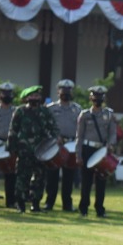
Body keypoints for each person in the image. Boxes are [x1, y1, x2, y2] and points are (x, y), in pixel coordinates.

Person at [7, 86, 60, 213]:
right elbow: (13, 130)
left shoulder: (45, 112)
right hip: (24, 151)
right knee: (22, 178)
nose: (35, 98)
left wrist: (56, 138)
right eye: (32, 96)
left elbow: (53, 127)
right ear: (26, 98)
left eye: (37, 96)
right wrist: (11, 149)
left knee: (40, 178)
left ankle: (35, 204)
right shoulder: (20, 111)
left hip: (41, 151)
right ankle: (20, 204)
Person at [76, 84, 117, 218]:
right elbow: (79, 136)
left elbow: (112, 133)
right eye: (95, 97)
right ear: (90, 98)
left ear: (103, 98)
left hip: (102, 150)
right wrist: (78, 155)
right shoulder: (84, 115)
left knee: (101, 181)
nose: (97, 99)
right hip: (88, 149)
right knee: (86, 182)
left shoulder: (109, 115)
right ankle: (83, 209)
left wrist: (111, 145)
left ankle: (100, 209)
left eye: (100, 97)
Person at [42, 79, 80, 212]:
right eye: (63, 91)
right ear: (58, 92)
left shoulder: (77, 109)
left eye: (68, 91)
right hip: (54, 144)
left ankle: (67, 204)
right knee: (52, 175)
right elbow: (44, 126)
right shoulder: (50, 108)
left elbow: (80, 128)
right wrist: (53, 137)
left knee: (69, 176)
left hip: (70, 145)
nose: (66, 93)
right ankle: (49, 202)